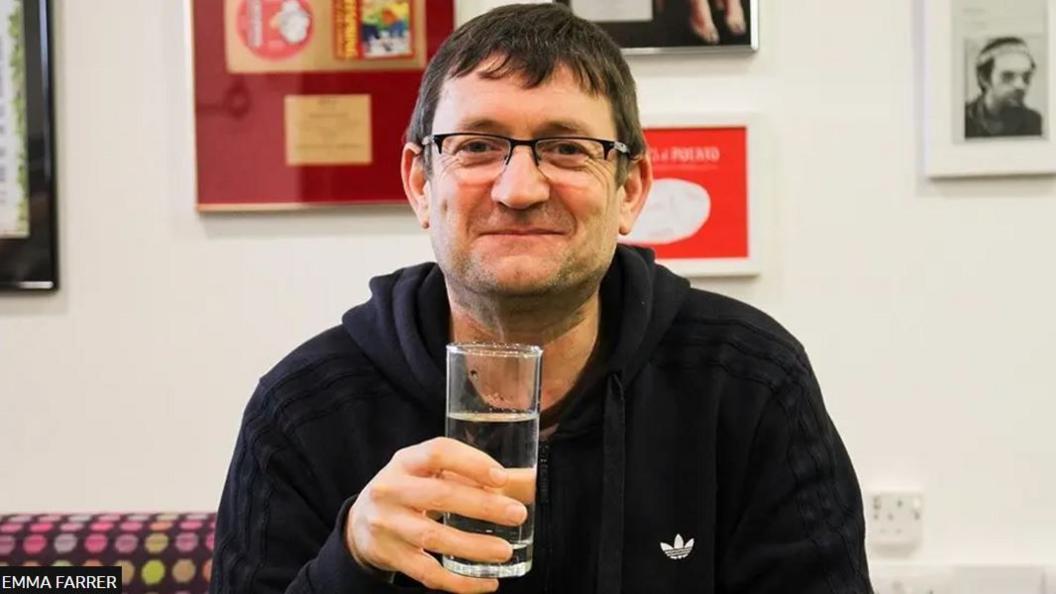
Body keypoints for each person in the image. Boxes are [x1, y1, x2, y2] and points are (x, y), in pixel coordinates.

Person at [209, 4, 871, 593]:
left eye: (565, 147)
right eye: (476, 146)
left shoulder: (748, 382)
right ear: (419, 182)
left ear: (631, 190)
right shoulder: (304, 410)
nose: (519, 188)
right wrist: (349, 561)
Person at [965, 36, 1044, 139]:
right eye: (1008, 76)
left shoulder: (1033, 121)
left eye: (1026, 77)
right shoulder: (961, 119)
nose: (1021, 86)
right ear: (984, 78)